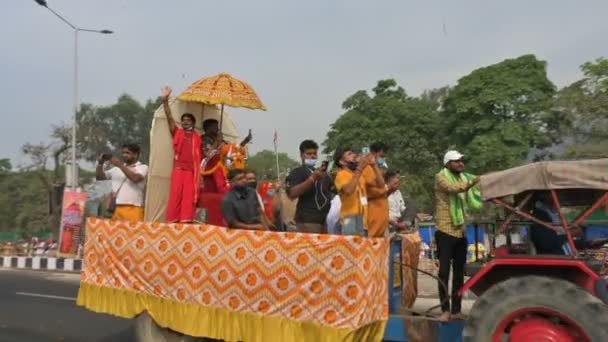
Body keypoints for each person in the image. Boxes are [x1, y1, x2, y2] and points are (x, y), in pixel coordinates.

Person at [434, 150, 480, 321]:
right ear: (447, 164)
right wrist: (472, 182)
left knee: (459, 273)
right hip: (445, 229)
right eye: (456, 161)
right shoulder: (440, 177)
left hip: (460, 230)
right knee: (444, 272)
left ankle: (456, 310)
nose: (461, 163)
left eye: (462, 160)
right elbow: (452, 189)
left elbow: (472, 191)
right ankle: (445, 310)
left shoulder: (463, 177)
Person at [161, 86, 202, 223]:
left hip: (191, 172)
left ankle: (186, 221)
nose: (185, 122)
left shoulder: (198, 137)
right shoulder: (177, 133)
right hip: (179, 170)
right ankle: (172, 221)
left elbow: (206, 153)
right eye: (183, 120)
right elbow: (169, 117)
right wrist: (165, 101)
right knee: (175, 197)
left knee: (188, 198)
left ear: (193, 123)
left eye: (188, 120)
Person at [530, 191, 608, 255]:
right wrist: (571, 234)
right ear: (544, 195)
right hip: (558, 253)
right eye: (555, 192)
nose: (559, 194)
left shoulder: (549, 212)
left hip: (567, 245)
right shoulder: (540, 215)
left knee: (594, 230)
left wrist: (588, 243)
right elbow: (546, 243)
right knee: (594, 231)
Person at [333, 147, 384, 236]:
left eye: (353, 153)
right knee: (351, 247)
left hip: (362, 219)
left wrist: (374, 165)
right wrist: (360, 168)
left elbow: (381, 184)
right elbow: (348, 190)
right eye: (349, 154)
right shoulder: (341, 175)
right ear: (341, 161)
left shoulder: (359, 175)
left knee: (361, 248)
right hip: (349, 218)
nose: (354, 155)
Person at [285, 140, 333, 234]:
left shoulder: (322, 174)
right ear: (302, 155)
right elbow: (292, 193)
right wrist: (312, 179)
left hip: (324, 220)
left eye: (314, 154)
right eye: (309, 154)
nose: (312, 156)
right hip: (307, 220)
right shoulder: (298, 172)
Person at [96, 143, 148, 222]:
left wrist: (120, 165)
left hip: (134, 208)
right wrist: (100, 163)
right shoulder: (117, 169)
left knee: (133, 233)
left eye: (127, 153)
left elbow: (135, 178)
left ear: (136, 155)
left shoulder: (142, 167)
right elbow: (100, 177)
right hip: (117, 208)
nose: (124, 155)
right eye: (123, 153)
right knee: (117, 234)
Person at [364, 142, 390, 237]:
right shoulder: (366, 169)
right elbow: (367, 192)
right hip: (373, 214)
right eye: (381, 156)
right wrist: (384, 190)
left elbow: (382, 185)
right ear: (373, 153)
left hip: (382, 218)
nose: (382, 159)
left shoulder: (379, 169)